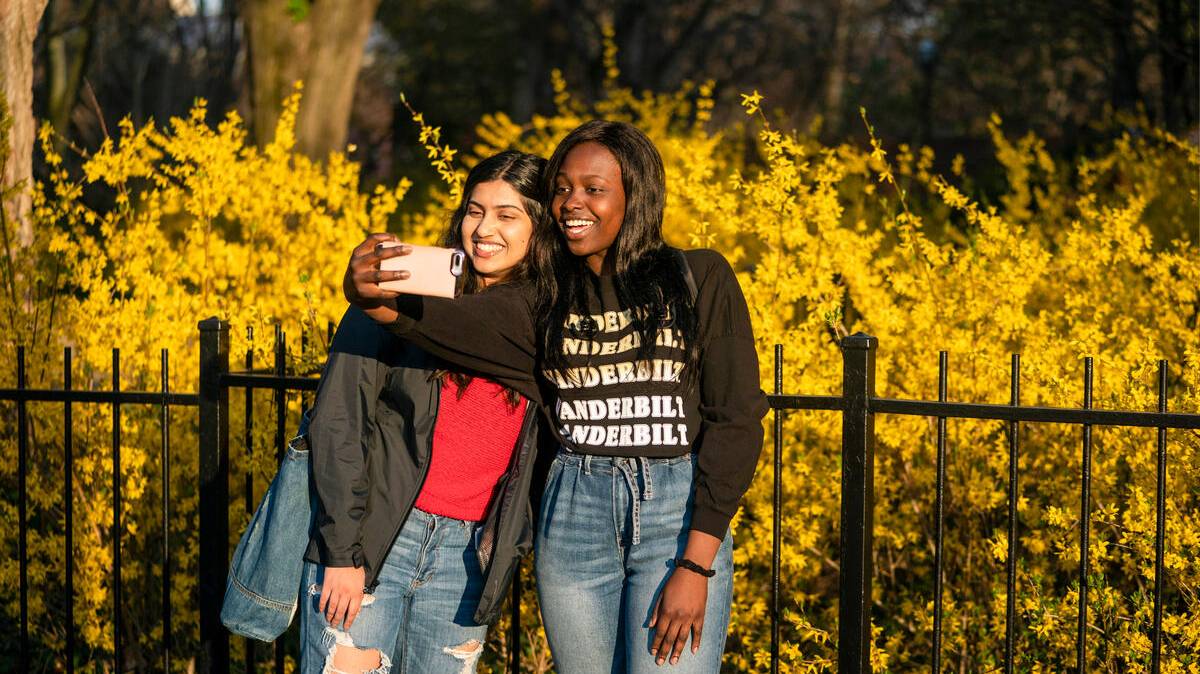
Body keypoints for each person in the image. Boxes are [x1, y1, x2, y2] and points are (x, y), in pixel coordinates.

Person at [343, 120, 767, 673]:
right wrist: (372, 294)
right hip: (575, 517)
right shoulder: (544, 300)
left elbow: (736, 421)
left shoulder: (699, 278)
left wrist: (697, 564)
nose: (573, 202)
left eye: (594, 188)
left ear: (634, 195)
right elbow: (445, 323)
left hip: (674, 516)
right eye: (562, 188)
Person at [300, 150, 550, 674]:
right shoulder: (399, 293)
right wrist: (342, 553)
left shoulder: (545, 321)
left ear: (539, 228)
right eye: (474, 210)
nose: (483, 229)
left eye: (507, 215)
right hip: (376, 539)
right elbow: (339, 420)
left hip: (467, 560)